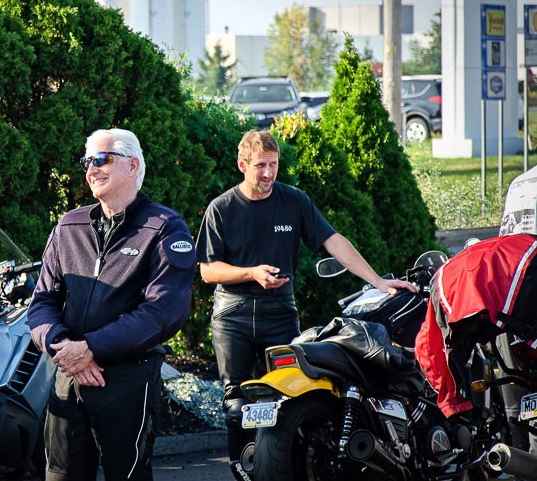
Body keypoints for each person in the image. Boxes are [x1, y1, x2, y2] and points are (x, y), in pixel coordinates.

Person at [195, 130, 415, 480]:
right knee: (237, 405)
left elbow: (334, 241)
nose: (268, 173)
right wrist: (251, 273)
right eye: (260, 166)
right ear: (242, 165)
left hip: (280, 310)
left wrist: (378, 281)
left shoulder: (293, 201)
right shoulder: (221, 208)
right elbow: (207, 270)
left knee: (292, 395)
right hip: (233, 313)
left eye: (273, 164)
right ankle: (244, 472)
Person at [27, 128, 196, 481]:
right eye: (87, 161)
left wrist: (91, 348)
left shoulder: (164, 228)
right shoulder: (69, 227)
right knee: (60, 475)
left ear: (132, 165)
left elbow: (163, 311)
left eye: (102, 159)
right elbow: (42, 301)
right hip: (68, 378)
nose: (92, 169)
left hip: (126, 380)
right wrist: (62, 346)